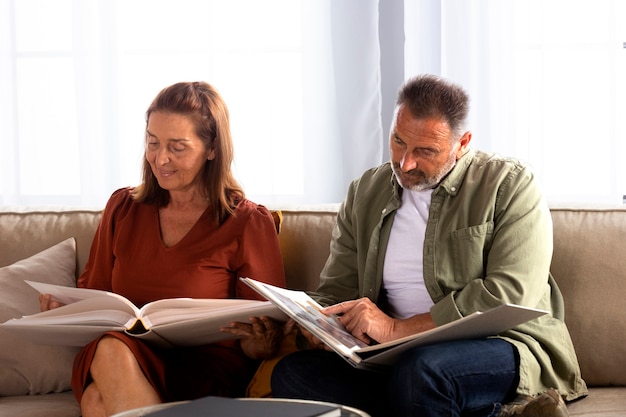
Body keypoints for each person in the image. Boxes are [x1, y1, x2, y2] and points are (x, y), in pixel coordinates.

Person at [270, 74, 587, 417]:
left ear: (462, 143)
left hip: (503, 344)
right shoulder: (365, 191)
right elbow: (337, 290)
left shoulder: (510, 184)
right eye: (398, 141)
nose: (405, 163)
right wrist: (313, 324)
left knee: (423, 371)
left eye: (425, 151)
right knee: (295, 375)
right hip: (392, 357)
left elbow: (511, 291)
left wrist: (397, 329)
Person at [38, 81, 289, 417]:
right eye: (152, 143)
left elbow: (263, 331)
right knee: (111, 351)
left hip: (204, 367)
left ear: (211, 148)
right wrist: (63, 311)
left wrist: (260, 343)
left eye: (178, 147)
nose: (161, 158)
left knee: (99, 401)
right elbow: (95, 294)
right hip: (122, 351)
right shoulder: (122, 207)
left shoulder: (247, 222)